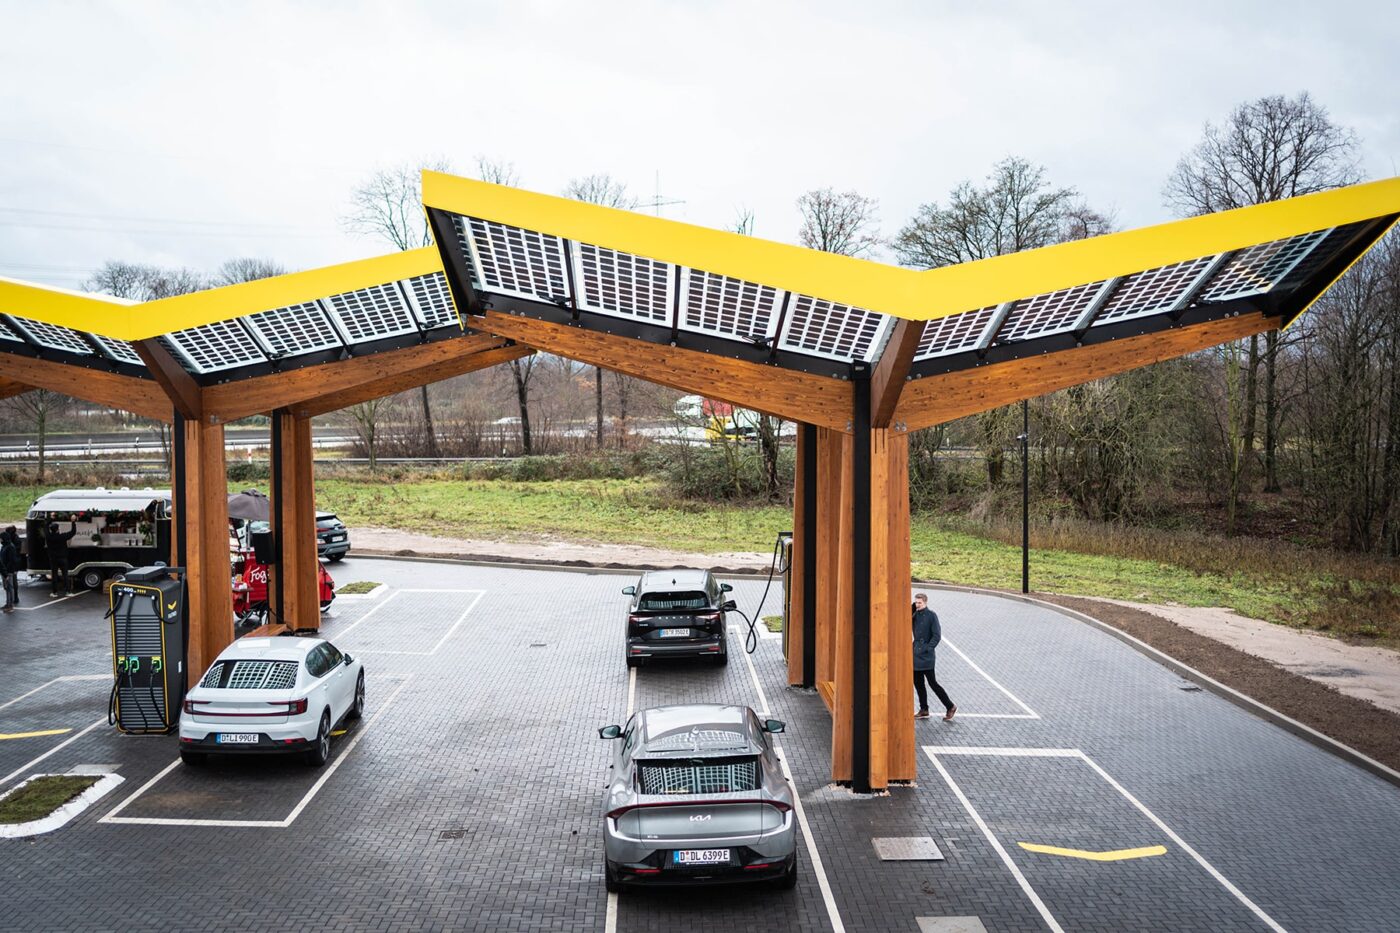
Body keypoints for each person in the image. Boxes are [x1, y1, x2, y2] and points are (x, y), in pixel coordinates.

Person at [912, 592, 956, 721]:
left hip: (926, 656)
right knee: (918, 683)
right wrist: (913, 607)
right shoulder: (914, 615)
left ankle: (950, 706)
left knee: (933, 683)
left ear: (925, 602)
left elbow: (937, 635)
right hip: (915, 653)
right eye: (916, 602)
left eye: (920, 603)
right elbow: (906, 613)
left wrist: (928, 648)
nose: (917, 605)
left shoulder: (932, 616)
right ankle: (924, 709)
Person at [46, 517, 77, 597]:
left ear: (51, 529)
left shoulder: (48, 536)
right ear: (57, 529)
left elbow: (45, 526)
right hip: (63, 558)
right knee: (65, 575)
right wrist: (73, 522)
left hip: (53, 558)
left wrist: (51, 519)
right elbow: (73, 532)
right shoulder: (62, 536)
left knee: (54, 575)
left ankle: (54, 592)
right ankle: (68, 591)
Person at [0, 527, 19, 613]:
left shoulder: (10, 547)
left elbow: (12, 560)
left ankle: (10, 604)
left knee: (9, 587)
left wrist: (6, 571)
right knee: (7, 587)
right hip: (5, 570)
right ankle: (8, 603)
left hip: (8, 571)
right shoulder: (6, 546)